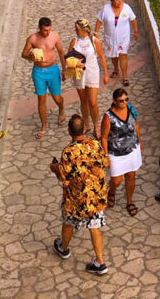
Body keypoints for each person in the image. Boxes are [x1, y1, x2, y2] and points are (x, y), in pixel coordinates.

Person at [51, 115, 110, 275]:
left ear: (69, 131)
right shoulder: (96, 145)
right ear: (84, 129)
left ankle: (63, 249)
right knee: (94, 226)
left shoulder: (68, 152)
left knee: (69, 222)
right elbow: (105, 163)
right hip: (96, 196)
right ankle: (100, 262)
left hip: (76, 199)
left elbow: (65, 178)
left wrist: (55, 168)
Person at [21, 17, 67, 138]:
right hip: (38, 71)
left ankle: (61, 109)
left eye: (49, 30)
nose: (47, 33)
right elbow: (23, 54)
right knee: (41, 99)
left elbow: (61, 52)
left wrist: (64, 69)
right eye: (45, 30)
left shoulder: (54, 36)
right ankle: (43, 126)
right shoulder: (33, 38)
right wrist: (31, 56)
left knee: (57, 98)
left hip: (53, 69)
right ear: (39, 28)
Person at [101, 88, 142, 217]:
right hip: (116, 153)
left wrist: (140, 143)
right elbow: (103, 137)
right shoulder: (108, 117)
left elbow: (136, 125)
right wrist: (105, 156)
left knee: (131, 177)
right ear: (114, 101)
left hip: (131, 150)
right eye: (121, 101)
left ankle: (129, 202)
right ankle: (112, 191)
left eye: (126, 100)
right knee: (117, 180)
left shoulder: (131, 109)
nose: (124, 103)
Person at [68, 19, 109, 135]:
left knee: (92, 102)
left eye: (78, 29)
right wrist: (74, 64)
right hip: (79, 74)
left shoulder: (94, 41)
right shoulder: (74, 41)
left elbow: (101, 57)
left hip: (92, 72)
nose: (76, 31)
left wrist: (105, 73)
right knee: (83, 101)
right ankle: (86, 124)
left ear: (83, 30)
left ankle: (96, 125)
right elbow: (68, 57)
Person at [96, 0, 139, 86]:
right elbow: (99, 19)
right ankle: (116, 69)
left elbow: (133, 19)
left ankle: (125, 77)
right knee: (113, 55)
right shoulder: (106, 9)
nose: (119, 1)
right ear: (112, 0)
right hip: (110, 37)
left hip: (123, 37)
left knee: (123, 55)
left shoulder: (127, 8)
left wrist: (136, 31)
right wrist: (96, 32)